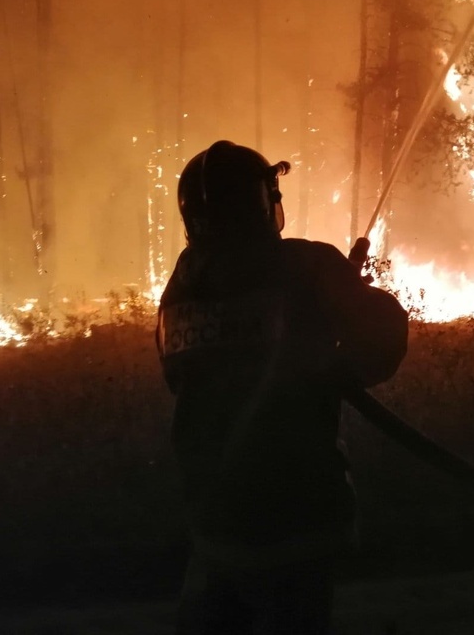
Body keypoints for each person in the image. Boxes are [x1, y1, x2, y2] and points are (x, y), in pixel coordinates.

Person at [156, 140, 408, 635]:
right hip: (296, 514)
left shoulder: (180, 287)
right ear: (265, 202)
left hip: (214, 514)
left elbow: (181, 375)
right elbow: (382, 335)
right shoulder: (307, 266)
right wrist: (337, 362)